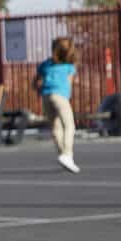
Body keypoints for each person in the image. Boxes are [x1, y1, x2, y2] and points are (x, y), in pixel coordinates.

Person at [38, 36, 81, 173]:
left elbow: (36, 82)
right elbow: (69, 83)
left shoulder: (45, 65)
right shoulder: (69, 67)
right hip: (60, 96)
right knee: (69, 125)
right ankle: (67, 154)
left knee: (55, 127)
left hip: (46, 96)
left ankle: (63, 154)